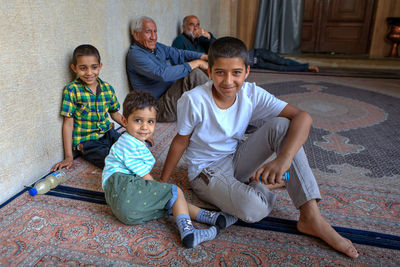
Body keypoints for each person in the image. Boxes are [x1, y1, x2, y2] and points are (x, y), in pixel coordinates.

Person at [160, 37, 358, 258]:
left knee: (283, 125)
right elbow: (180, 141)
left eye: (236, 72)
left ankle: (310, 216)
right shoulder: (194, 100)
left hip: (236, 158)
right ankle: (263, 184)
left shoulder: (251, 94)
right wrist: (163, 182)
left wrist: (284, 159)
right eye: (220, 72)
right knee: (253, 208)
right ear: (209, 72)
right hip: (206, 171)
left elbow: (303, 117)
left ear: (246, 71)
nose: (228, 81)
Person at [102, 90, 237, 248]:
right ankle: (189, 233)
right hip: (123, 188)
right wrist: (159, 187)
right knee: (174, 191)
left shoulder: (132, 141)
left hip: (122, 208)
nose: (145, 127)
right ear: (124, 121)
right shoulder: (127, 143)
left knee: (169, 201)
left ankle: (212, 217)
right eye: (138, 120)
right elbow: (145, 176)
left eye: (150, 122)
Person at [52, 44, 124, 171]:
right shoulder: (71, 90)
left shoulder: (107, 88)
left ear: (100, 66)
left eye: (94, 67)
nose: (89, 73)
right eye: (83, 68)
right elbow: (68, 124)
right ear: (74, 68)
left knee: (133, 150)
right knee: (113, 163)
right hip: (88, 142)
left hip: (109, 134)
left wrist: (137, 131)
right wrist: (69, 156)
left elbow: (115, 114)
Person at [126, 16, 210, 122]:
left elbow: (180, 54)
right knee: (194, 74)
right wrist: (197, 63)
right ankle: (217, 110)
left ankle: (220, 105)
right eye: (148, 32)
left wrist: (204, 57)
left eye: (155, 32)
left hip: (171, 95)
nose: (153, 37)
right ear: (136, 35)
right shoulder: (135, 55)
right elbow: (163, 74)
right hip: (158, 108)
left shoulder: (157, 47)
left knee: (201, 70)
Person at [171, 15, 318, 73]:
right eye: (191, 25)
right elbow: (180, 59)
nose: (195, 28)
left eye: (197, 24)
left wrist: (208, 35)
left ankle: (306, 65)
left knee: (281, 60)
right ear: (184, 27)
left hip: (253, 54)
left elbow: (219, 47)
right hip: (249, 63)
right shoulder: (179, 41)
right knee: (279, 68)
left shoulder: (202, 39)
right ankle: (306, 68)